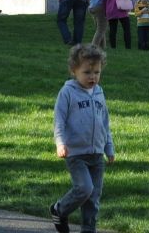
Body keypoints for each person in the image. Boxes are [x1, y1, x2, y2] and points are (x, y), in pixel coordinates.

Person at [49, 43, 114, 233]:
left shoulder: (99, 92)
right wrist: (60, 143)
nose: (93, 77)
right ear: (74, 71)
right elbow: (59, 121)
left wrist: (109, 147)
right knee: (85, 189)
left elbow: (105, 122)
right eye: (87, 72)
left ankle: (88, 229)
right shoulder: (68, 92)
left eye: (97, 72)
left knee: (93, 197)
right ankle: (59, 209)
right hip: (76, 153)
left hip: (96, 154)